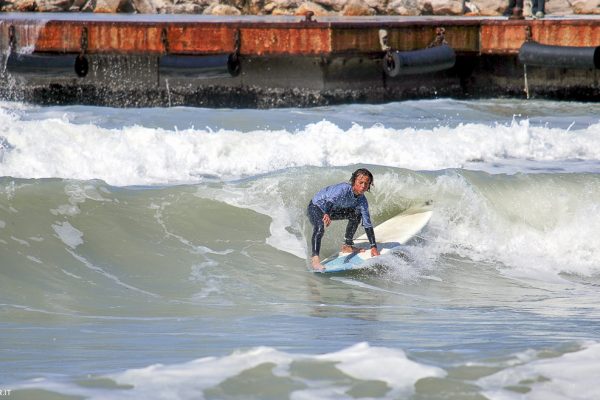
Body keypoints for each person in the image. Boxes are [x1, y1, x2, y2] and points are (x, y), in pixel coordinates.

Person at [307, 168, 380, 271]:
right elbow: (330, 201)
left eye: (366, 183)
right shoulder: (343, 188)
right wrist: (326, 213)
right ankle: (315, 260)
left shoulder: (362, 200)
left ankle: (347, 246)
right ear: (354, 181)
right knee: (320, 227)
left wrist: (373, 247)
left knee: (356, 214)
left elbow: (367, 224)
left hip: (331, 211)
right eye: (360, 182)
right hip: (316, 207)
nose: (363, 186)